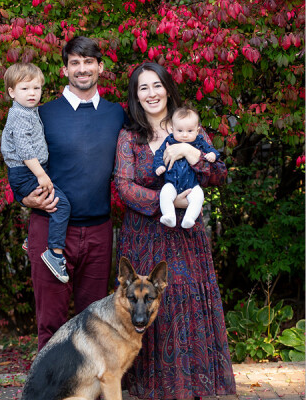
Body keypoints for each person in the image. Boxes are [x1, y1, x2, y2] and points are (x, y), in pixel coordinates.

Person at [114, 62, 236, 399]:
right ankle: (150, 389)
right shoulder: (130, 137)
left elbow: (219, 174)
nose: (151, 93)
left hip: (185, 239)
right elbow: (124, 186)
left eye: (157, 85)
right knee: (146, 309)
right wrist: (169, 203)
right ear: (136, 96)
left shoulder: (190, 127)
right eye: (143, 88)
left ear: (167, 88)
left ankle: (189, 387)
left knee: (183, 306)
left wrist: (192, 152)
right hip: (143, 237)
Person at [17, 36, 127, 350]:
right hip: (51, 228)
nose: (82, 69)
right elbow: (17, 157)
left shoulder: (116, 114)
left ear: (100, 67)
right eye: (75, 63)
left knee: (93, 323)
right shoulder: (43, 114)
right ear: (65, 69)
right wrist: (23, 196)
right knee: (50, 323)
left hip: (98, 230)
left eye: (88, 62)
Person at [1, 63, 70, 283]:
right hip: (26, 172)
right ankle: (55, 253)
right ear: (11, 92)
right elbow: (23, 149)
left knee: (46, 204)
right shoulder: (19, 116)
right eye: (25, 88)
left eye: (36, 88)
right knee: (62, 205)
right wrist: (40, 174)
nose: (32, 93)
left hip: (30, 171)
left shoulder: (28, 111)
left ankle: (32, 239)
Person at [153, 106, 220, 229]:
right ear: (172, 130)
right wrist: (159, 165)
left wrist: (212, 155)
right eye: (180, 131)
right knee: (165, 193)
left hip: (192, 185)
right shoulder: (170, 141)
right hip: (172, 183)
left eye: (190, 131)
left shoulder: (199, 142)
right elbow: (159, 154)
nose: (184, 135)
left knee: (198, 196)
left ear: (197, 130)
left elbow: (212, 151)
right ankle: (169, 216)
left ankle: (189, 218)